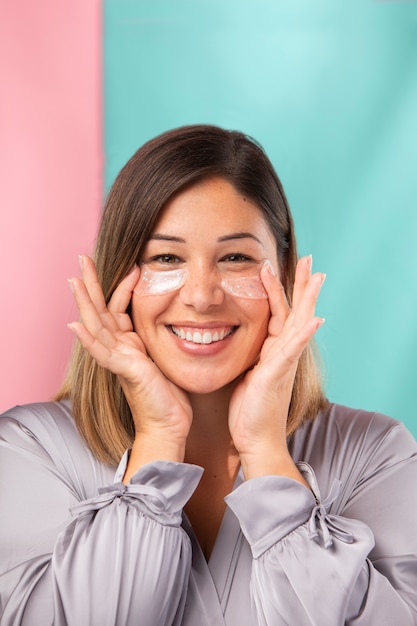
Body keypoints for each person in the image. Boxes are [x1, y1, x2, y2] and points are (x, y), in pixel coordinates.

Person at [0, 125, 416, 626]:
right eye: (166, 258)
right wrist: (157, 440)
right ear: (119, 281)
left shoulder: (375, 453)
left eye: (236, 257)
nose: (201, 295)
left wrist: (266, 454)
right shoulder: (29, 449)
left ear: (283, 275)